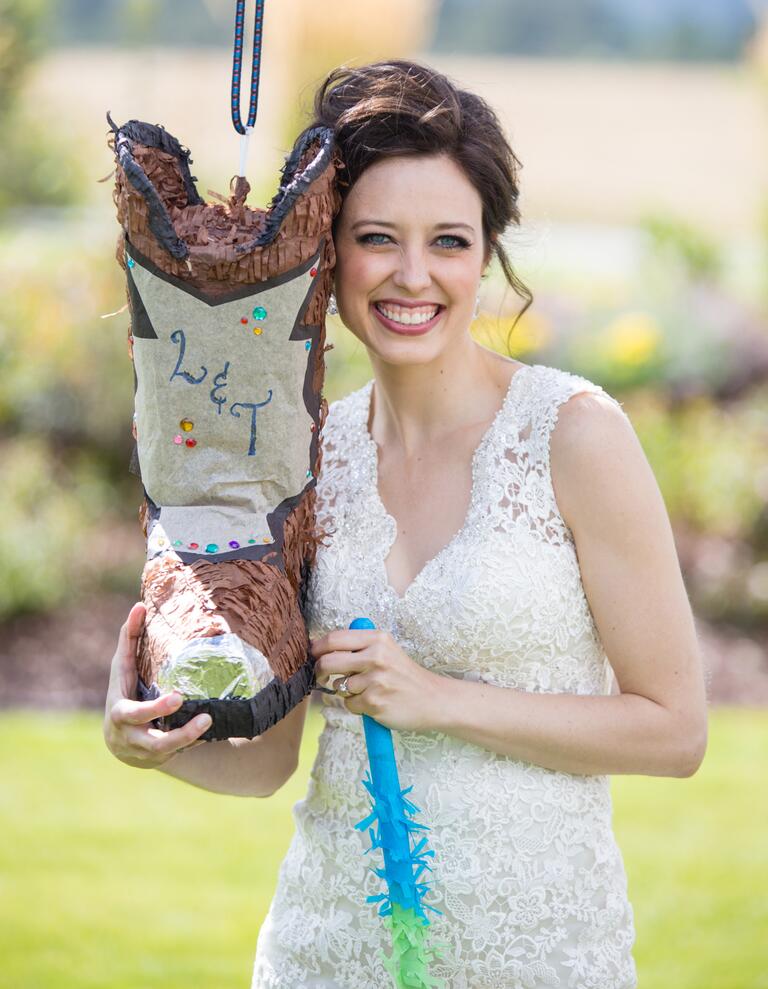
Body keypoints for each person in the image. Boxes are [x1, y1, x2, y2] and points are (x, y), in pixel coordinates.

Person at [104, 60, 708, 988]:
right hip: (326, 952)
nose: (413, 276)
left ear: (486, 252)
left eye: (450, 241)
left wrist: (437, 698)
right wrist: (149, 740)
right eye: (377, 237)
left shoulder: (574, 437)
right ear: (326, 249)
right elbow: (268, 762)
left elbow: (674, 731)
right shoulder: (301, 458)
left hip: (540, 954)